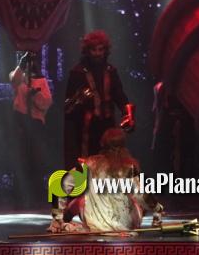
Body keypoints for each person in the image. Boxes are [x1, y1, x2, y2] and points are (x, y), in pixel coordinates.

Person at [49, 128, 163, 233]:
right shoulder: (128, 168)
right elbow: (142, 196)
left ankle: (62, 221)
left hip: (94, 225)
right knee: (135, 199)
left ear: (102, 145)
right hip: (123, 226)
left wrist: (57, 217)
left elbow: (61, 185)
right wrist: (158, 210)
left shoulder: (88, 165)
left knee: (81, 200)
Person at [63, 31, 135, 168]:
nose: (97, 53)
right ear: (87, 51)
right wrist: (79, 98)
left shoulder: (110, 71)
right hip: (86, 129)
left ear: (105, 50)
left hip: (108, 126)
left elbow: (120, 95)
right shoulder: (77, 72)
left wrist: (128, 114)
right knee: (87, 165)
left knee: (111, 164)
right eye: (94, 50)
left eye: (100, 49)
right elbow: (68, 107)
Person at [9, 51, 52, 207]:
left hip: (35, 122)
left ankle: (36, 195)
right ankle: (19, 196)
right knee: (21, 158)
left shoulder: (41, 81)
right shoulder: (18, 77)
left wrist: (35, 96)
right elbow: (14, 80)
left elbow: (46, 103)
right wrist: (21, 64)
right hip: (21, 121)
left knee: (35, 158)